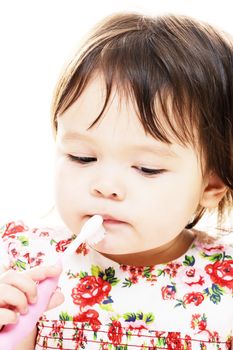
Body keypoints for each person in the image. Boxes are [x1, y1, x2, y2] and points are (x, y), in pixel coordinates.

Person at [0, 12, 233, 349]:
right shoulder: (21, 262)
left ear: (212, 184)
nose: (105, 185)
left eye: (147, 168)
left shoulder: (224, 282)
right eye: (82, 157)